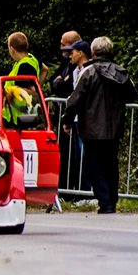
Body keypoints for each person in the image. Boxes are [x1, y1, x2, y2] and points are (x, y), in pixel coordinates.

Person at [62, 37, 137, 214]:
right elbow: (132, 94)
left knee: (94, 166)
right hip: (114, 127)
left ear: (93, 52)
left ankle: (105, 202)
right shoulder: (120, 72)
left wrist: (67, 119)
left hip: (92, 127)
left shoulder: (88, 72)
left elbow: (75, 99)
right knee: (111, 164)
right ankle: (111, 199)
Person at [59, 39, 92, 194]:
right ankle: (80, 191)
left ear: (81, 53)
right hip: (77, 119)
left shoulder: (90, 70)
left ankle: (87, 191)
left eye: (72, 52)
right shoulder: (75, 71)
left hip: (87, 120)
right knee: (78, 157)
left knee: (86, 157)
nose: (69, 56)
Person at [3, 31, 48, 126]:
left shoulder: (25, 66)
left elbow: (32, 91)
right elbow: (45, 69)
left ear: (12, 49)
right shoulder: (31, 58)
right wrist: (38, 85)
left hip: (19, 117)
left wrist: (11, 91)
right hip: (18, 115)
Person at [50, 30, 82, 98]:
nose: (61, 48)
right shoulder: (66, 60)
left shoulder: (80, 65)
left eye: (63, 45)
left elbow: (68, 87)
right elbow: (52, 80)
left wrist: (60, 82)